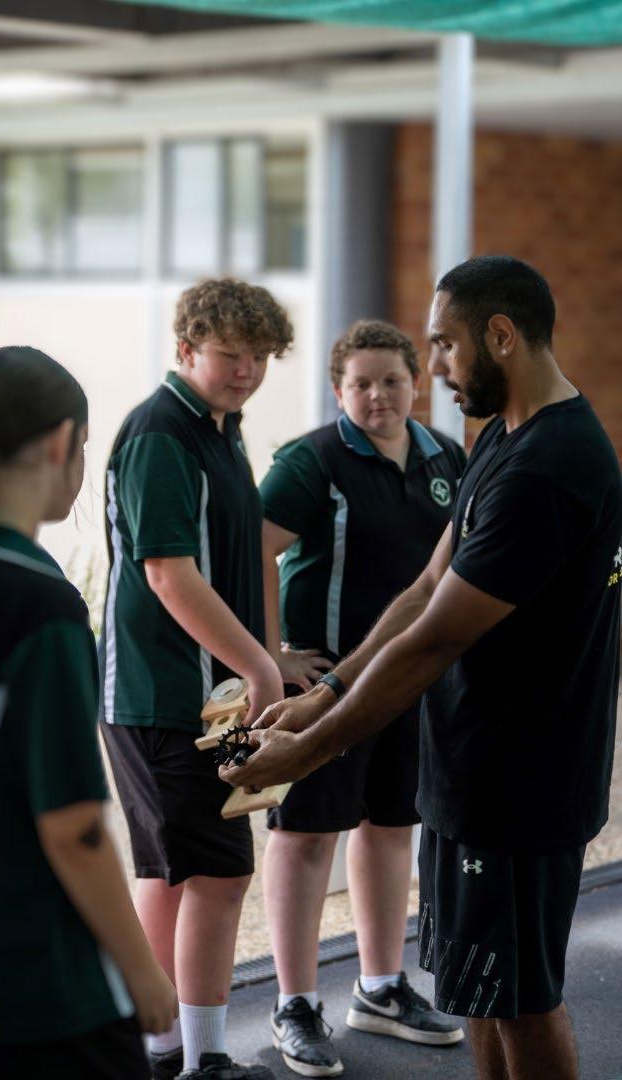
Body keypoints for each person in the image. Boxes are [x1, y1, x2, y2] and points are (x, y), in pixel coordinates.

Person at [223, 256, 621, 1080]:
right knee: (479, 990)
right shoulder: (504, 438)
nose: (435, 366)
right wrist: (325, 694)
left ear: (500, 335)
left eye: (445, 344)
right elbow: (428, 584)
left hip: (521, 788)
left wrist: (308, 750)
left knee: (524, 1000)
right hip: (471, 776)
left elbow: (436, 638)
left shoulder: (552, 468)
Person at [0, 345, 177, 1079]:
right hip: (14, 960)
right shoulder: (42, 607)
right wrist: (142, 970)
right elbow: (74, 829)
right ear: (60, 442)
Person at [257, 320, 465, 1076]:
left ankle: (380, 987)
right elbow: (256, 548)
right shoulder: (312, 461)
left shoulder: (446, 457)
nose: (378, 395)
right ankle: (294, 1003)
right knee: (308, 836)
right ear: (337, 390)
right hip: (327, 689)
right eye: (361, 384)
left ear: (416, 383)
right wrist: (272, 656)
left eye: (392, 381)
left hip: (410, 683)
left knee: (391, 826)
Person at [99, 279, 288, 1080]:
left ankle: (165, 1053)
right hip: (165, 693)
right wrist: (259, 663)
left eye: (260, 357)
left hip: (210, 693)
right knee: (218, 870)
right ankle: (196, 1058)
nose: (246, 370)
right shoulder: (161, 432)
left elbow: (240, 562)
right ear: (185, 349)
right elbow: (169, 574)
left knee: (174, 874)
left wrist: (265, 659)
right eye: (230, 354)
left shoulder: (219, 428)